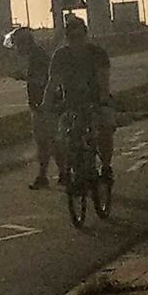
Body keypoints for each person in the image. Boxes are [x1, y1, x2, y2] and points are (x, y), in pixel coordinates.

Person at [42, 14, 115, 179]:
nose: (76, 41)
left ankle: (106, 166)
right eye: (72, 37)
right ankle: (69, 170)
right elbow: (53, 83)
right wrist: (45, 104)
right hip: (70, 103)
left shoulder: (98, 54)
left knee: (105, 129)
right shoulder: (60, 56)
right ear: (67, 38)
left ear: (85, 35)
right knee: (62, 136)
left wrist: (103, 99)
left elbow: (103, 81)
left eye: (79, 36)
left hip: (95, 100)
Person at [7, 26, 61, 190]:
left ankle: (55, 174)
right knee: (46, 142)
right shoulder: (36, 55)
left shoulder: (38, 57)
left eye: (18, 45)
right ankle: (51, 174)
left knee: (48, 141)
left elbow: (42, 81)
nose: (16, 49)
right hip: (42, 105)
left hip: (46, 105)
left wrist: (23, 76)